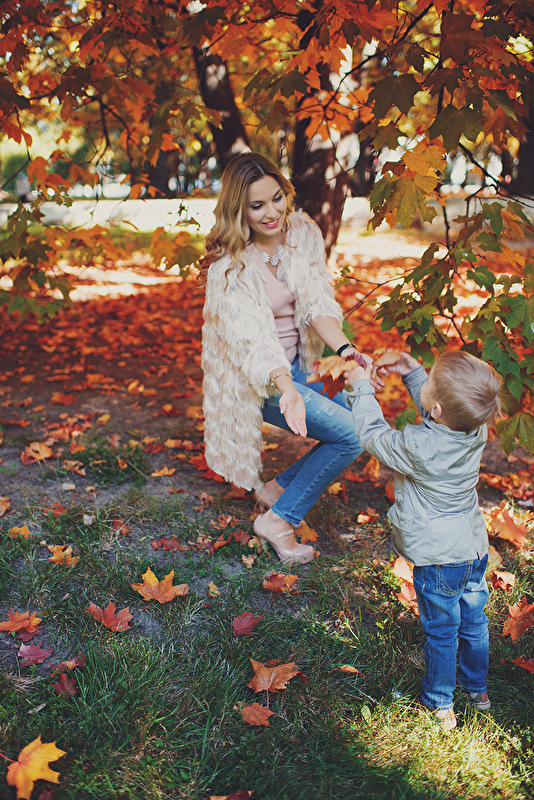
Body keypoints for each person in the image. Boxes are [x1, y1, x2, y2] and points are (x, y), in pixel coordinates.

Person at [200, 151, 376, 564]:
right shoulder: (228, 267)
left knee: (364, 419)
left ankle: (276, 490)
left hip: (300, 365)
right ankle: (279, 521)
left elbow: (317, 303)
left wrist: (347, 351)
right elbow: (255, 344)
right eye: (257, 205)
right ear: (238, 209)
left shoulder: (302, 233)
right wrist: (287, 389)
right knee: (351, 435)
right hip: (258, 381)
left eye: (277, 198)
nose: (272, 213)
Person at [344, 350, 503, 730]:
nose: (425, 381)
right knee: (473, 621)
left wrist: (361, 389)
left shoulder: (417, 446)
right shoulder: (475, 430)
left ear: (436, 408)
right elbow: (441, 414)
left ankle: (439, 702)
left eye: (428, 379)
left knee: (442, 631)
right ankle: (477, 690)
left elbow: (373, 435)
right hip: (473, 548)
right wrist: (413, 372)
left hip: (438, 556)